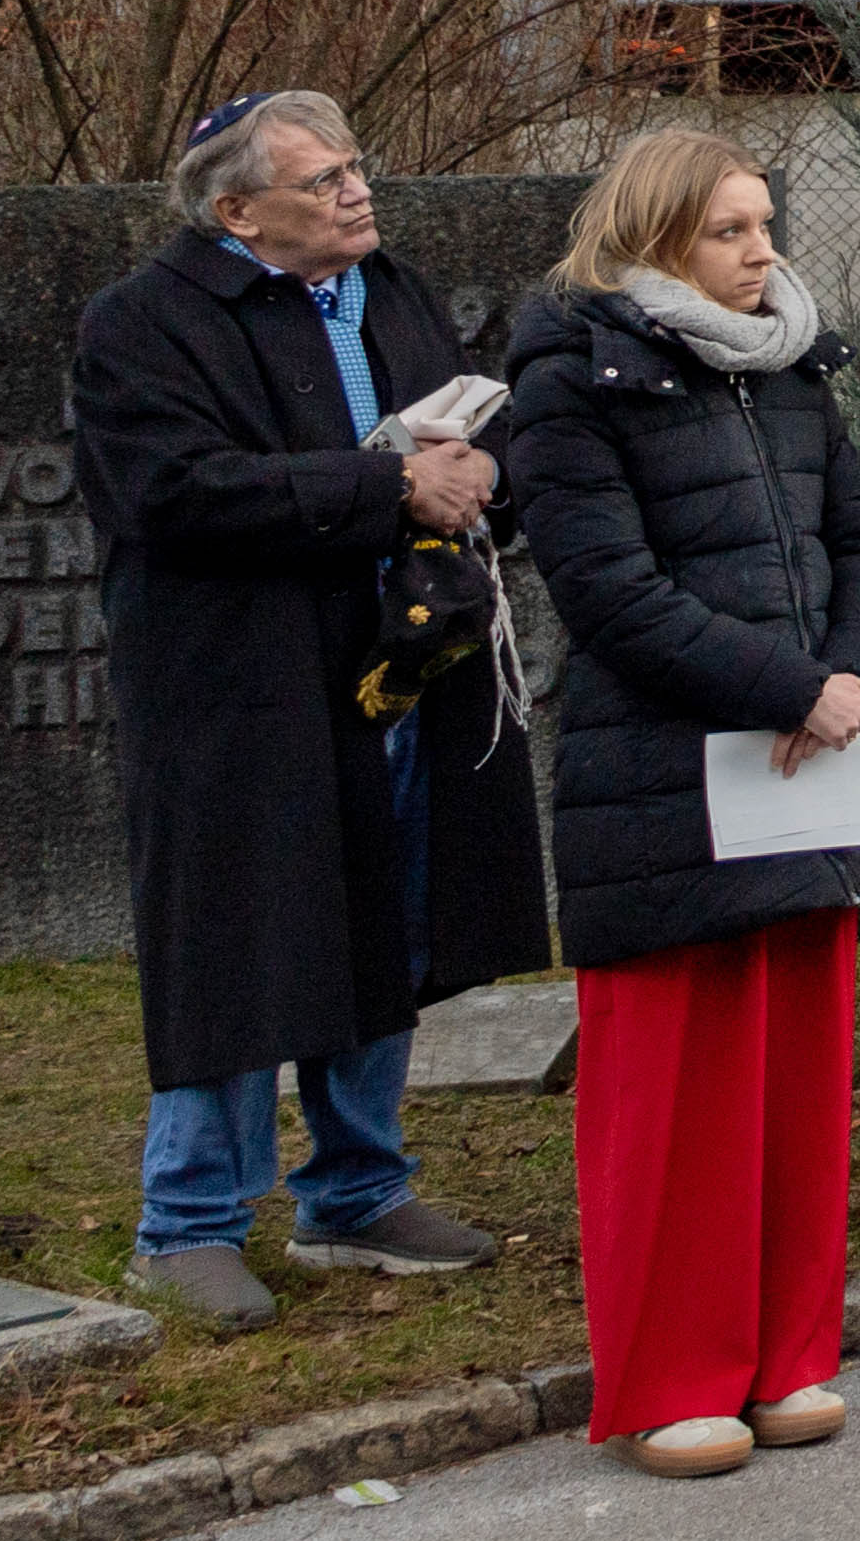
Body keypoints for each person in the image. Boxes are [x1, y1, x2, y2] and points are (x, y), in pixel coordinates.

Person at [73, 91, 549, 1330]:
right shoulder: (142, 322)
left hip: (394, 662)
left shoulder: (388, 286)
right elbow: (174, 492)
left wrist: (483, 471)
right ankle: (188, 1224)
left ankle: (355, 1190)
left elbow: (467, 438)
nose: (356, 190)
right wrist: (391, 486)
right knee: (239, 935)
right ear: (236, 210)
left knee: (383, 918)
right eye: (323, 179)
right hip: (238, 686)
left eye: (355, 167)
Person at [502, 129, 860, 1476]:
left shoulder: (791, 366)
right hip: (664, 779)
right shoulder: (571, 379)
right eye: (730, 230)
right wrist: (793, 686)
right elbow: (607, 590)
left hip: (810, 762)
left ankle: (786, 1356)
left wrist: (855, 674)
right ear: (656, 235)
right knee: (676, 1094)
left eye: (763, 224)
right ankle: (673, 1378)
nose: (761, 251)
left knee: (796, 1079)